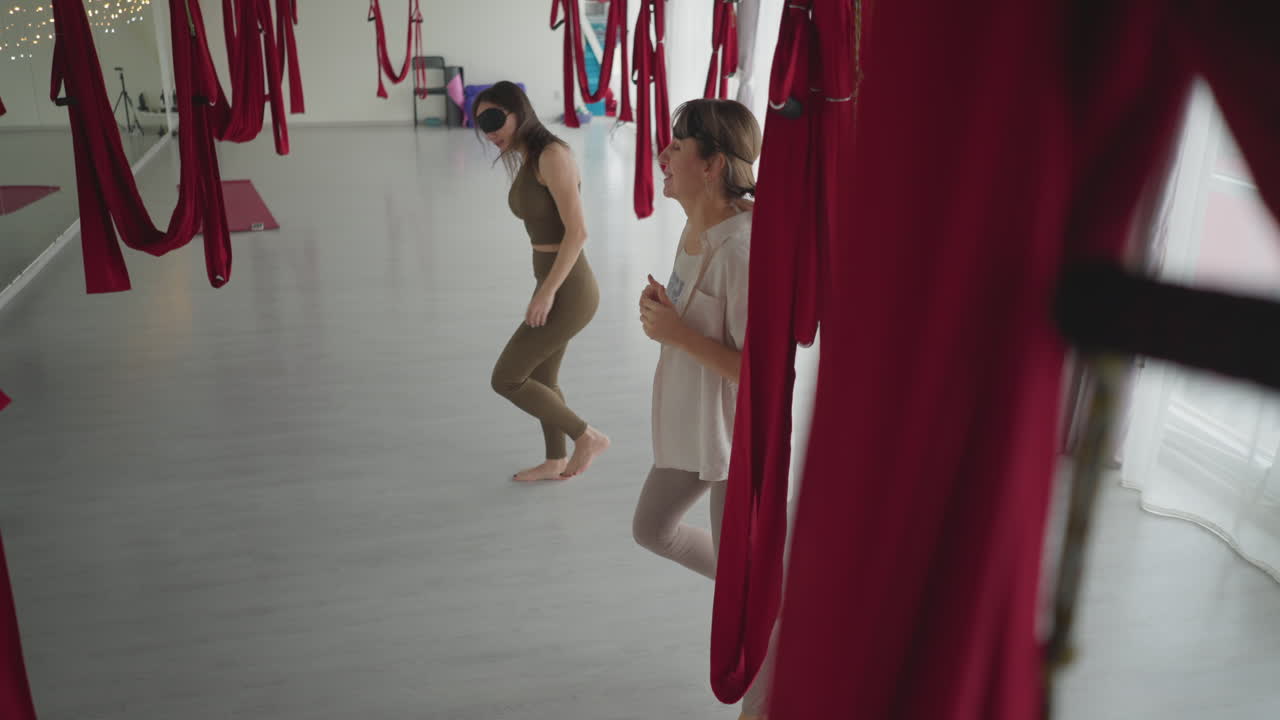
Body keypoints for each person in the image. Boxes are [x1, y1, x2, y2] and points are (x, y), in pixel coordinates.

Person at [631, 98, 771, 719]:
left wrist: (678, 334)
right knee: (650, 528)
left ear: (712, 164)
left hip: (736, 439)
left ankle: (765, 688)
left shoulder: (741, 250)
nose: (662, 155)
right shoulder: (697, 227)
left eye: (677, 147)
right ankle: (774, 597)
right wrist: (667, 314)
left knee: (745, 592)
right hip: (695, 425)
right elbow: (695, 323)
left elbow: (759, 376)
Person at [473, 81, 610, 481]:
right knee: (544, 379)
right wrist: (544, 287)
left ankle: (587, 437)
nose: (490, 130)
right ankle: (555, 460)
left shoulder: (552, 155)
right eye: (482, 123)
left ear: (521, 113)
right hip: (551, 281)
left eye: (496, 119)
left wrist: (547, 293)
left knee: (508, 377)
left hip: (570, 290)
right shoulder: (531, 156)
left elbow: (578, 232)